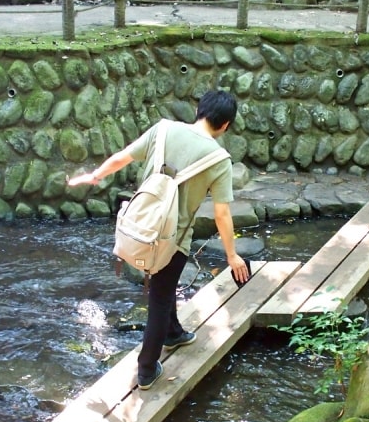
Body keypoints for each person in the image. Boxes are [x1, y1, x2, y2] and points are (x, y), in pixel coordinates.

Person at [67, 89, 250, 390]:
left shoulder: (162, 129)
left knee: (165, 286)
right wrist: (232, 255)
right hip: (172, 239)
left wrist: (95, 175)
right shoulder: (219, 159)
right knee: (160, 297)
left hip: (140, 226)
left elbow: (122, 158)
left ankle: (173, 332)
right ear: (226, 125)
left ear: (199, 110)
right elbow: (222, 214)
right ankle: (147, 368)